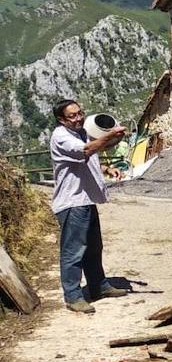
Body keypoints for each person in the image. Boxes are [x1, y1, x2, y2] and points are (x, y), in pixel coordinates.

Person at [49, 100, 128, 313]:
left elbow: (89, 155)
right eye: (72, 116)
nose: (78, 118)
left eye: (79, 113)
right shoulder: (61, 137)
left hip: (85, 199)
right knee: (73, 252)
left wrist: (105, 168)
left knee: (93, 248)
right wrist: (110, 136)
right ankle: (73, 296)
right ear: (61, 120)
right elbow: (84, 152)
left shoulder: (80, 132)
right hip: (72, 202)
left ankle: (98, 286)